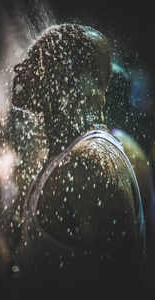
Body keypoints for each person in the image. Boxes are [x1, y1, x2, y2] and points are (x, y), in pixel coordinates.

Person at [10, 24, 146, 299]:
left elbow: (123, 287)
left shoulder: (91, 162)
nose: (19, 69)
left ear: (68, 78)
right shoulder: (67, 155)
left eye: (37, 59)